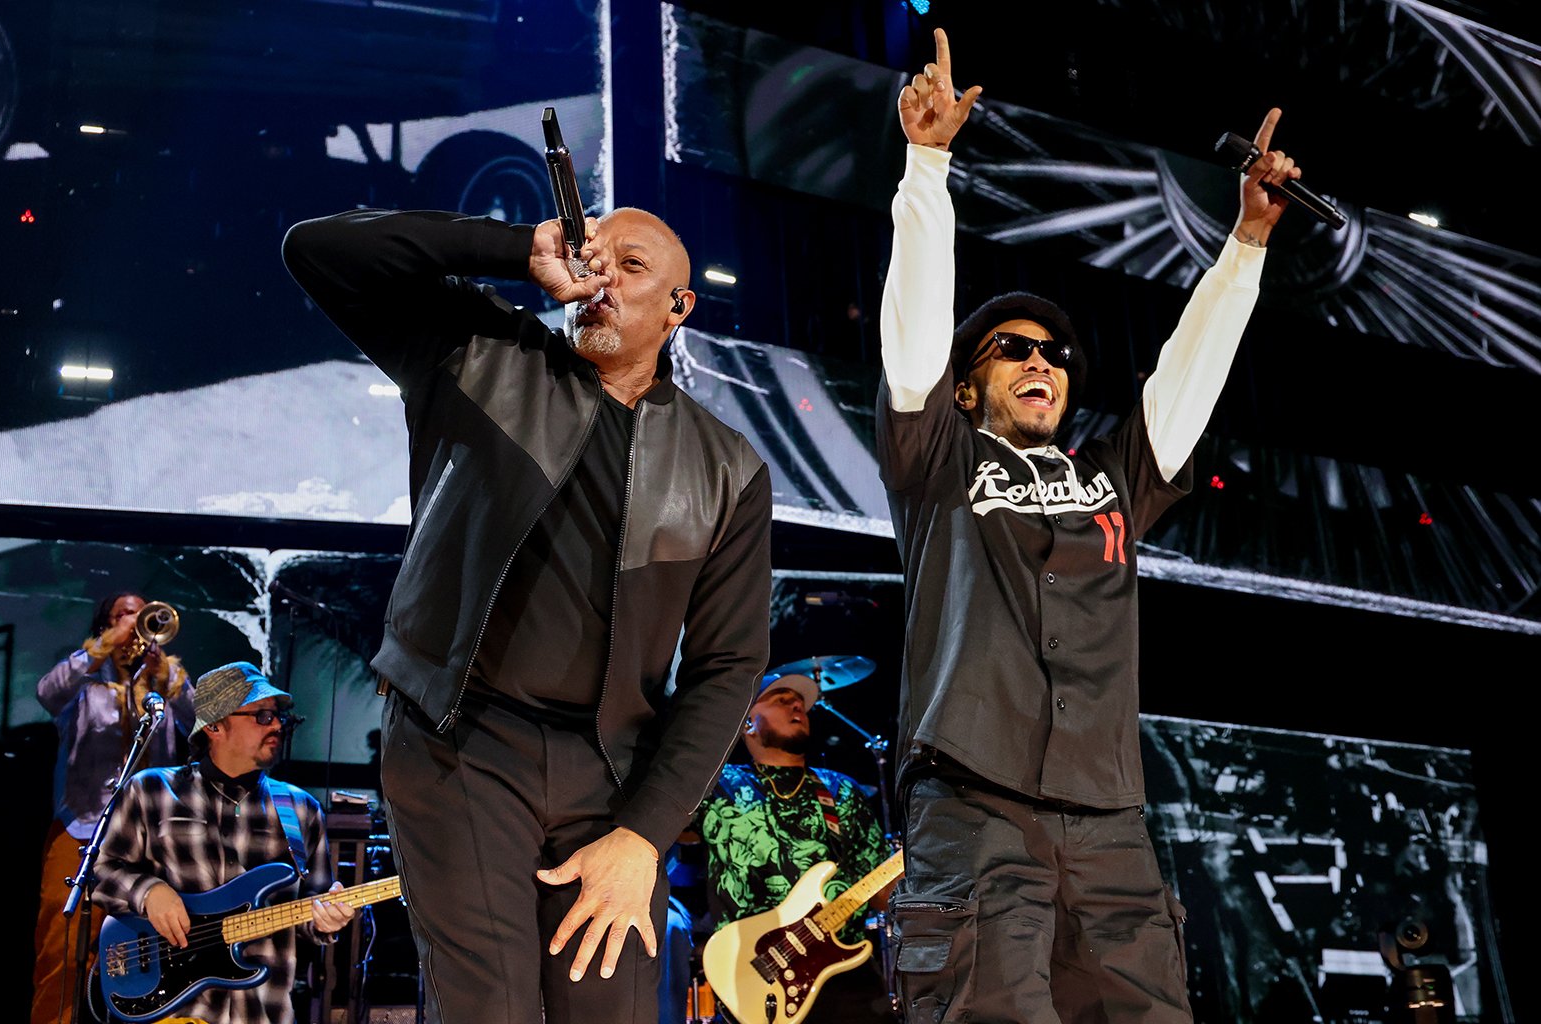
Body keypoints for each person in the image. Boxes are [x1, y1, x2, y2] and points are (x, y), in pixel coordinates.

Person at [876, 29, 1304, 1023]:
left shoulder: (1111, 476)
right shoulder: (938, 461)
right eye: (1012, 347)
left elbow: (1186, 384)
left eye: (1057, 353)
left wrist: (1245, 244)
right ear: (971, 378)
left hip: (1109, 817)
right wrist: (927, 165)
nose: (1042, 359)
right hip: (972, 800)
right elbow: (912, 339)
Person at [281, 193, 773, 1024]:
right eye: (592, 255)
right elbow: (319, 246)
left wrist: (644, 834)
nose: (602, 275)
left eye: (632, 265)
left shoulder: (727, 469)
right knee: (490, 1009)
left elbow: (729, 664)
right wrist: (519, 247)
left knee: (610, 1007)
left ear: (679, 308)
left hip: (611, 778)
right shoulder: (480, 353)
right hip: (459, 747)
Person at [91, 661, 354, 1024]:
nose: (277, 725)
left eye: (278, 718)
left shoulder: (301, 809)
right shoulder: (151, 790)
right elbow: (100, 872)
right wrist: (149, 892)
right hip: (174, 1010)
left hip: (264, 1009)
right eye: (262, 716)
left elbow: (312, 907)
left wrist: (327, 920)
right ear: (215, 726)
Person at [31, 591, 194, 1024]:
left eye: (143, 615)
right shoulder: (84, 679)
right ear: (106, 624)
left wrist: (169, 677)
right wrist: (101, 647)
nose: (137, 622)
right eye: (125, 615)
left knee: (138, 959)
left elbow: (201, 721)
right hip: (82, 829)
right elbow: (46, 692)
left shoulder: (164, 680)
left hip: (148, 842)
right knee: (61, 949)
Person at [696, 673, 894, 1021]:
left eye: (798, 701)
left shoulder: (842, 791)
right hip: (753, 978)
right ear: (747, 724)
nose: (796, 704)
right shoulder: (718, 786)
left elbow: (879, 895)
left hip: (845, 979)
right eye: (778, 698)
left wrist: (913, 865)